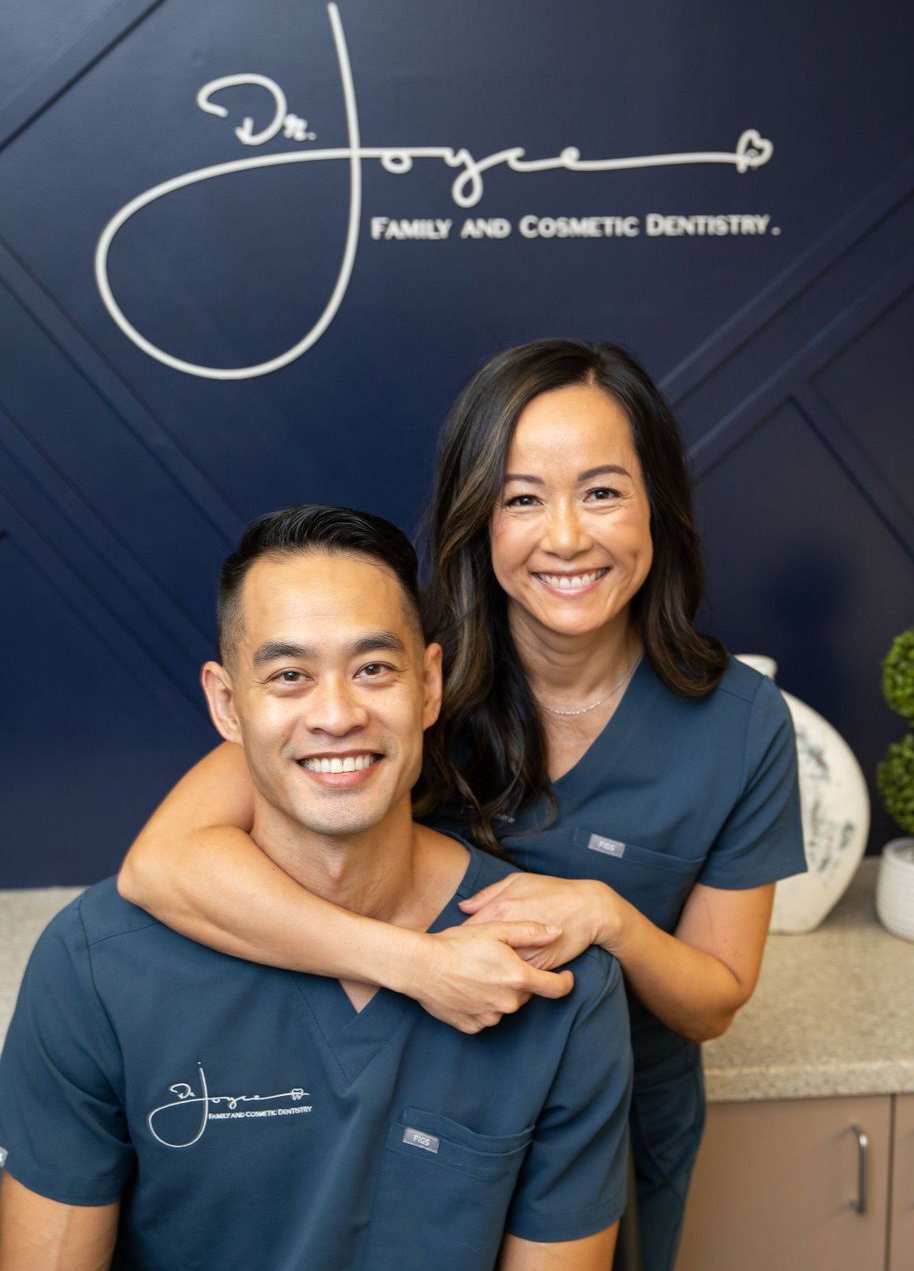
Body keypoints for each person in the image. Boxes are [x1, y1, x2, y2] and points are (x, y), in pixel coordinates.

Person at [116, 339, 808, 1271]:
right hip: (394, 1097)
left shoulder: (742, 722)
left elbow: (714, 1001)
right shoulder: (398, 678)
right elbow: (163, 865)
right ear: (478, 517)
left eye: (602, 490)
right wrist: (414, 963)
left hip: (608, 1132)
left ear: (659, 503)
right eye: (523, 497)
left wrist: (611, 920)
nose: (566, 536)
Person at [0, 507, 632, 1271]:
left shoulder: (555, 975)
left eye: (374, 668)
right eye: (289, 676)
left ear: (429, 686)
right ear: (228, 704)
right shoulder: (95, 969)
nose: (337, 714)